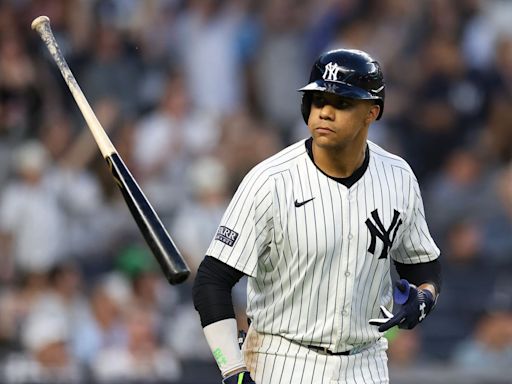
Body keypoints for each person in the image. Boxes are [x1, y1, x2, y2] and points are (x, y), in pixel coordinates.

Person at [193, 48, 441, 384]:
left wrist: (425, 296)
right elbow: (211, 281)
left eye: (341, 103)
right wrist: (233, 370)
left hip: (366, 362)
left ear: (371, 112)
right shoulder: (271, 181)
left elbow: (422, 265)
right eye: (317, 100)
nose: (324, 112)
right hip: (281, 359)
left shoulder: (398, 177)